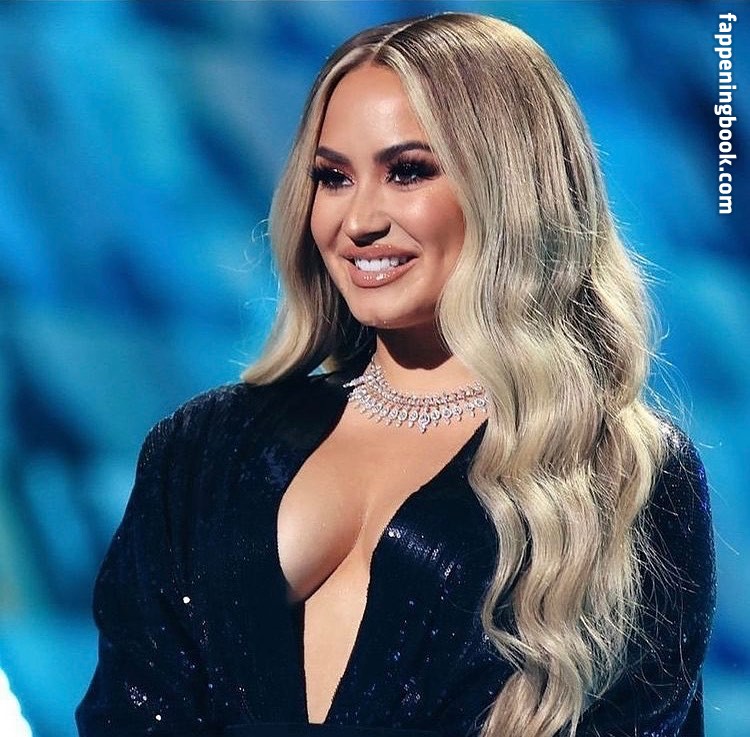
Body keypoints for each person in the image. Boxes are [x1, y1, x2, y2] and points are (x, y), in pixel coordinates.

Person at [75, 11, 716, 737]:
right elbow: (128, 707)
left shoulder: (622, 474)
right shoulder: (204, 446)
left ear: (511, 189)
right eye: (333, 177)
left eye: (407, 171)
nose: (358, 221)